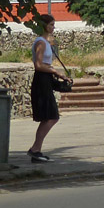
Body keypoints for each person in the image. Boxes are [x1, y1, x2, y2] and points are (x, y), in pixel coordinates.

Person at [28, 15, 68, 163]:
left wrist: (61, 76)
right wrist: (56, 72)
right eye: (51, 24)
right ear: (44, 25)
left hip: (45, 79)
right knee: (51, 117)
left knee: (49, 117)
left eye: (53, 24)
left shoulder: (45, 42)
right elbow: (38, 65)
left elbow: (45, 65)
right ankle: (35, 149)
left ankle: (36, 150)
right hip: (41, 80)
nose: (53, 27)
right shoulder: (40, 42)